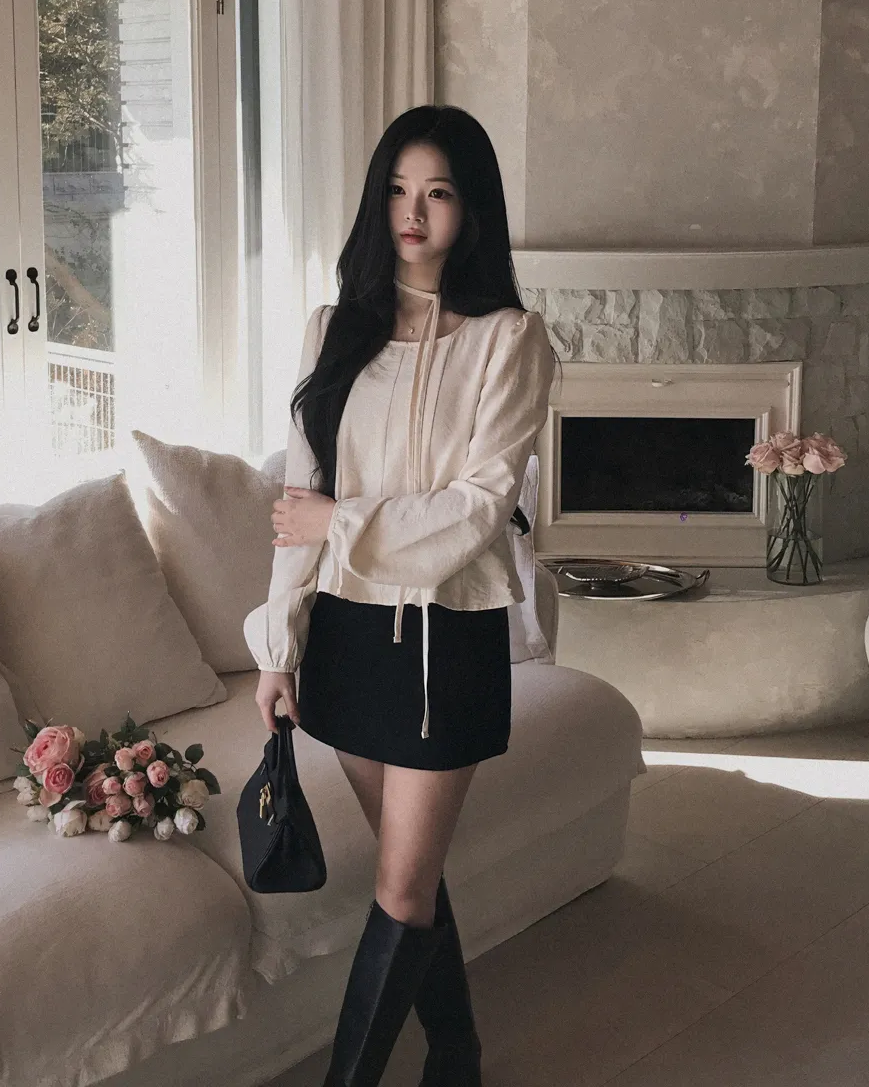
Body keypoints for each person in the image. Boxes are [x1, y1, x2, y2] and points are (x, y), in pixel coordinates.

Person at [244, 104, 556, 1086]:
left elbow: (476, 512)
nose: (412, 214)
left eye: (438, 193)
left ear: (472, 210)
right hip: (345, 636)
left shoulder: (509, 341)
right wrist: (278, 648)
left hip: (440, 644)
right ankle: (456, 1056)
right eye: (396, 190)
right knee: (407, 875)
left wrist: (336, 522)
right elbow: (296, 503)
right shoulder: (332, 330)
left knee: (401, 887)